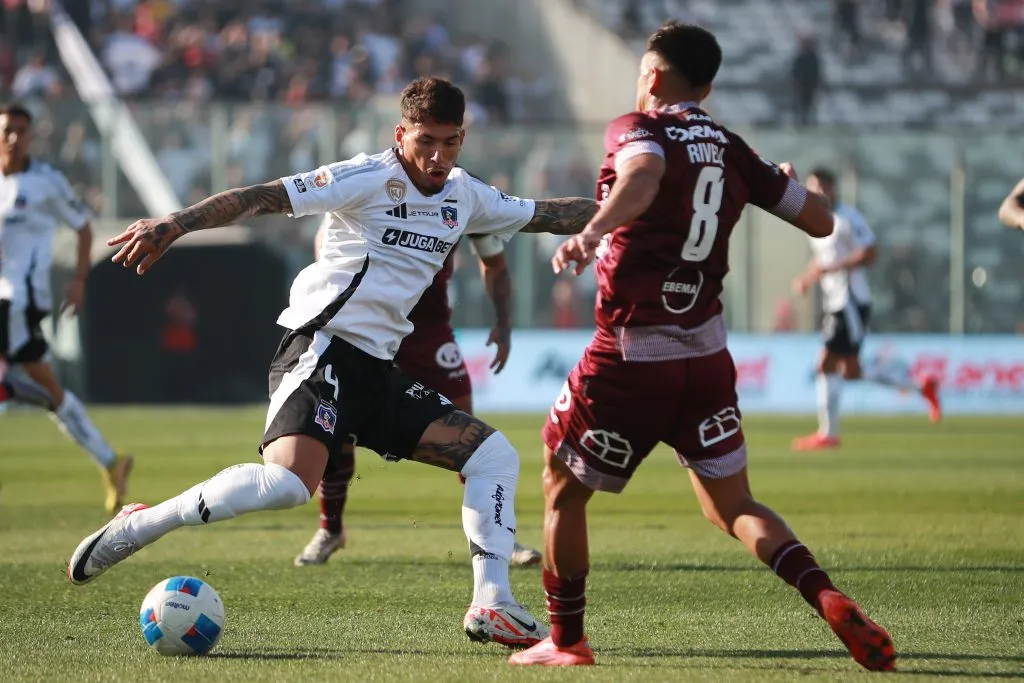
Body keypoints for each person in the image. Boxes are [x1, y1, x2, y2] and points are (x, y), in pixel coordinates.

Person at [67, 77, 597, 647]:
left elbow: (549, 214)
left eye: (451, 142)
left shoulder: (466, 194)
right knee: (291, 485)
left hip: (375, 370)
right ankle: (145, 523)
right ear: (402, 134)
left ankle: (492, 602)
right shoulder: (366, 176)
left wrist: (632, 209)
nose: (438, 156)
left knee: (493, 456)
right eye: (426, 141)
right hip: (320, 346)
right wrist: (175, 223)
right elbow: (261, 196)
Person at [509, 23, 895, 671]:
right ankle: (825, 594)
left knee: (561, 488)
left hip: (630, 355)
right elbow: (821, 220)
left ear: (654, 77)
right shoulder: (733, 147)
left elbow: (641, 177)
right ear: (708, 86)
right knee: (735, 505)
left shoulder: (638, 128)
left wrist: (591, 231)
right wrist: (790, 180)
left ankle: (567, 640)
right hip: (707, 357)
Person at [293, 217, 542, 568]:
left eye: (451, 155)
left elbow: (494, 262)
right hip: (368, 327)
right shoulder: (371, 181)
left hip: (429, 332)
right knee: (338, 430)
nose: (439, 158)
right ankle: (330, 529)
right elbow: (326, 240)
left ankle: (499, 538)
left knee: (472, 436)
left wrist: (503, 321)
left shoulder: (466, 192)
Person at [0, 103, 133, 513]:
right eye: (7, 130)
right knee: (49, 390)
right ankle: (112, 462)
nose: (14, 138)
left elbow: (83, 227)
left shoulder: (45, 182)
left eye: (22, 130)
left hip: (18, 297)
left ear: (32, 136)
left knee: (30, 382)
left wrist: (78, 280)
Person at [791, 168, 941, 451]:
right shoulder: (816, 221)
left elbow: (870, 251)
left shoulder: (848, 218)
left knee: (824, 363)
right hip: (835, 302)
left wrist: (833, 268)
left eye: (824, 186)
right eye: (814, 187)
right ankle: (922, 387)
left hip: (850, 302)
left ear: (834, 188)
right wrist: (807, 279)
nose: (819, 192)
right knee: (851, 371)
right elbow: (822, 259)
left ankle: (828, 433)